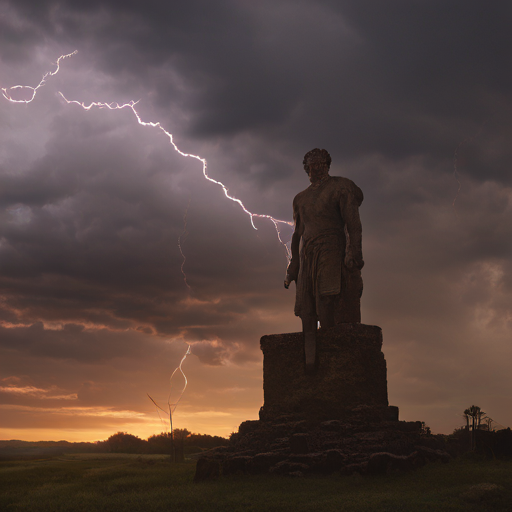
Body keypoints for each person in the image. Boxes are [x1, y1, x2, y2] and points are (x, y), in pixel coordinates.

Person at [284, 148, 364, 373]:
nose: (315, 168)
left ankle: (333, 359)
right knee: (307, 311)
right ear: (305, 168)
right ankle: (310, 363)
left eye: (320, 163)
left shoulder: (340, 187)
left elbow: (353, 224)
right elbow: (297, 234)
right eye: (311, 164)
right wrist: (293, 267)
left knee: (326, 301)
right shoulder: (300, 198)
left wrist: (353, 252)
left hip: (331, 249)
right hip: (308, 254)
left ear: (327, 165)